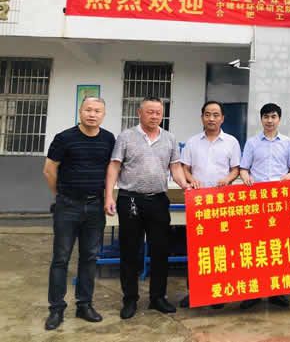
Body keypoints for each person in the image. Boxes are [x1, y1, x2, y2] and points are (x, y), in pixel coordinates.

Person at [104, 97, 199, 320]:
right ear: (140, 113)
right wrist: (108, 195)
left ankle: (158, 297)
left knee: (160, 250)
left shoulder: (169, 138)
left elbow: (175, 167)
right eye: (150, 112)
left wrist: (185, 184)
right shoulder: (126, 136)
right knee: (130, 251)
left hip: (158, 200)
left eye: (158, 112)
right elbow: (114, 166)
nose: (155, 116)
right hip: (130, 200)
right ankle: (130, 299)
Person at [43, 97, 115, 330]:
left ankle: (84, 304)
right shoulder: (64, 138)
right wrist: (60, 195)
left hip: (95, 207)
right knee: (61, 258)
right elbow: (49, 169)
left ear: (103, 114)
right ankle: (56, 309)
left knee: (90, 257)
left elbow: (110, 171)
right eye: (88, 110)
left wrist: (107, 197)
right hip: (68, 206)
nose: (92, 114)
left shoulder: (108, 139)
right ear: (80, 111)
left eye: (97, 111)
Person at [178, 100, 240, 309]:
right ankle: (194, 292)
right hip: (198, 202)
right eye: (207, 114)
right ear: (202, 117)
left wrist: (228, 179)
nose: (211, 118)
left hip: (222, 202)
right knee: (196, 248)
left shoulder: (231, 142)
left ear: (222, 118)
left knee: (220, 248)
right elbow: (185, 168)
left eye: (215, 115)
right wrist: (191, 179)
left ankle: (218, 292)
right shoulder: (192, 142)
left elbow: (236, 169)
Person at [238, 103, 290, 310]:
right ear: (261, 119)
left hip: (280, 201)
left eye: (273, 116)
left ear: (279, 119)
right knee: (256, 246)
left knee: (278, 246)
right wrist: (246, 177)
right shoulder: (252, 143)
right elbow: (244, 168)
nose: (270, 120)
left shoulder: (288, 143)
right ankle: (254, 292)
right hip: (257, 200)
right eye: (266, 117)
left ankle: (277, 291)